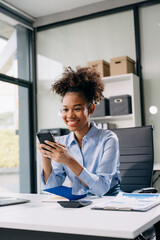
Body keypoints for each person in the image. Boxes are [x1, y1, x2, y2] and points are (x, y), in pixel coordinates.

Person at [37, 66, 121, 197]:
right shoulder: (62, 142)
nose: (69, 115)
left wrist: (69, 160)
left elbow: (101, 189)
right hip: (80, 204)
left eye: (77, 109)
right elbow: (52, 188)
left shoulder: (108, 139)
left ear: (91, 108)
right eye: (65, 109)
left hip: (108, 204)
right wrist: (46, 156)